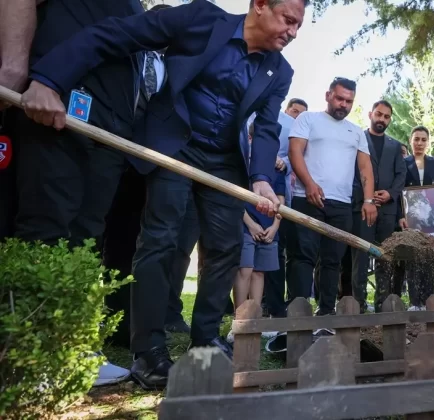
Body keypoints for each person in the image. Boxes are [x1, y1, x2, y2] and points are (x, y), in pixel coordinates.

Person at [19, 0, 306, 389]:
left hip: (225, 161)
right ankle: (148, 351)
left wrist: (259, 177)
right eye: (288, 20)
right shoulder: (201, 19)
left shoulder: (280, 70)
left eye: (298, 27)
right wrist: (49, 78)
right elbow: (119, 35)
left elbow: (268, 126)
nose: (293, 32)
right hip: (175, 147)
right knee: (161, 239)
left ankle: (205, 341)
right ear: (259, 6)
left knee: (224, 248)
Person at [0, 0, 150, 389]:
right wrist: (15, 69)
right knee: (48, 224)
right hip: (55, 101)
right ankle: (29, 352)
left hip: (109, 126)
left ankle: (71, 348)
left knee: (87, 236)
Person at [287, 77, 377, 316]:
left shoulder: (356, 132)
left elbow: (365, 168)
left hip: (341, 205)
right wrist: (309, 184)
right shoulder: (308, 119)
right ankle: (298, 310)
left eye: (349, 101)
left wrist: (368, 201)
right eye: (339, 98)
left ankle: (326, 311)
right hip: (306, 198)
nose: (343, 105)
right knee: (302, 256)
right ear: (328, 95)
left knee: (332, 260)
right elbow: (295, 151)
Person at [228, 123, 285, 341]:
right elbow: (235, 197)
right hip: (245, 225)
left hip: (269, 228)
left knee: (260, 272)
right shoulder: (241, 163)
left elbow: (281, 199)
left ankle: (255, 320)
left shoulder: (276, 168)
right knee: (245, 269)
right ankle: (239, 321)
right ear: (250, 139)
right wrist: (250, 224)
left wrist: (275, 226)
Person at [351, 100, 406, 313]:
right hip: (363, 207)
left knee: (385, 256)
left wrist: (390, 194)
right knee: (361, 255)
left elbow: (401, 174)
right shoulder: (358, 140)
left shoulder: (394, 146)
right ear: (370, 114)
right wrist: (367, 196)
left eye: (386, 116)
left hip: (388, 210)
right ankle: (359, 303)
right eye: (379, 114)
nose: (382, 119)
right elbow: (352, 171)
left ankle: (383, 302)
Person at [263, 98, 307, 318]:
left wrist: (283, 163)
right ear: (287, 107)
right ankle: (247, 306)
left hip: (281, 196)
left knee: (277, 252)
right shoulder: (252, 114)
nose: (296, 116)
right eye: (294, 111)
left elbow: (296, 156)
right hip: (247, 192)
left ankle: (275, 306)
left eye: (301, 114)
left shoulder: (294, 128)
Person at [399, 126, 434, 311]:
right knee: (413, 258)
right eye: (416, 139)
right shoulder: (403, 163)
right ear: (411, 140)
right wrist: (400, 216)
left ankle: (430, 300)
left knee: (430, 258)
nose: (419, 143)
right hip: (411, 219)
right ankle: (414, 302)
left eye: (423, 140)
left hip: (432, 219)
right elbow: (399, 191)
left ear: (428, 143)